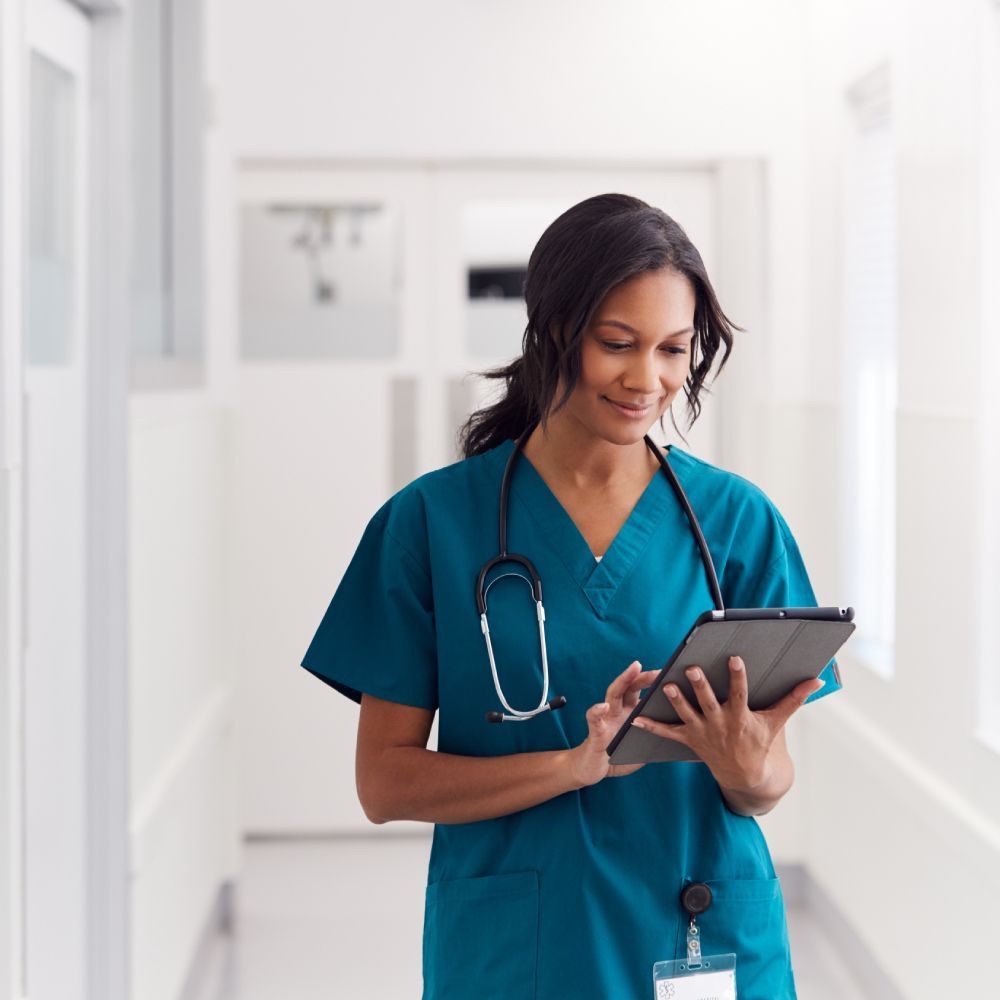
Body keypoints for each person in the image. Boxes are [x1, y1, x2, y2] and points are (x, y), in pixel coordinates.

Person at [300, 193, 842, 1000]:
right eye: (617, 343)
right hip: (520, 947)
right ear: (554, 330)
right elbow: (385, 783)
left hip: (699, 931)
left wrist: (748, 767)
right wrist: (572, 765)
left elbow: (766, 783)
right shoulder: (432, 524)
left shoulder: (736, 524)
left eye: (673, 350)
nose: (648, 379)